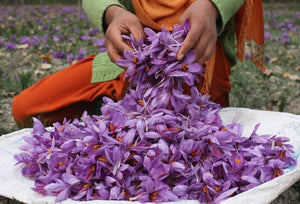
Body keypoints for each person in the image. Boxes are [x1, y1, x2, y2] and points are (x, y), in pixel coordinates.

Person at [12, 0, 265, 128]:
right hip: (137, 57)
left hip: (195, 62)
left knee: (179, 136)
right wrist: (114, 12)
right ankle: (119, 105)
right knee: (26, 109)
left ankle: (124, 111)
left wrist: (211, 7)